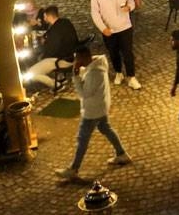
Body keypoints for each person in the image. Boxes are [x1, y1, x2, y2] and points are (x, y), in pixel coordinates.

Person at [54, 46, 132, 179]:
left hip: (93, 110)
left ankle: (73, 169)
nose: (76, 61)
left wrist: (76, 76)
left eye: (77, 58)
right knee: (106, 128)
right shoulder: (95, 67)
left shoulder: (94, 73)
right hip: (100, 106)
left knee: (82, 138)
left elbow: (85, 93)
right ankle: (121, 154)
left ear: (84, 57)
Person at [90, 0, 140, 90]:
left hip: (125, 27)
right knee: (113, 53)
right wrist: (103, 28)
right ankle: (118, 72)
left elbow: (131, 0)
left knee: (128, 53)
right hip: (109, 30)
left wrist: (129, 7)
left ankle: (131, 77)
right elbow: (95, 13)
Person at [25, 6, 79, 90]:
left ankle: (57, 85)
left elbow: (52, 50)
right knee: (41, 60)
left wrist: (42, 58)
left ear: (48, 16)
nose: (44, 18)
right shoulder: (65, 22)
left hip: (62, 60)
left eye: (44, 16)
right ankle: (61, 78)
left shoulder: (55, 31)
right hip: (74, 56)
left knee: (31, 73)